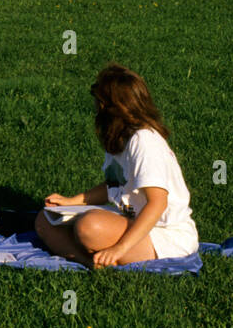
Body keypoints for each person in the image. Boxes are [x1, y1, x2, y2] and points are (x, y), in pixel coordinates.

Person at [35, 64, 199, 268]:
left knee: (89, 227)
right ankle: (94, 263)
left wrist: (119, 248)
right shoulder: (118, 138)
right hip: (132, 222)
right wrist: (72, 201)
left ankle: (104, 258)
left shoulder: (144, 141)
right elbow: (114, 185)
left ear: (108, 107)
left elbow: (158, 203)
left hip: (166, 236)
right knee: (44, 220)